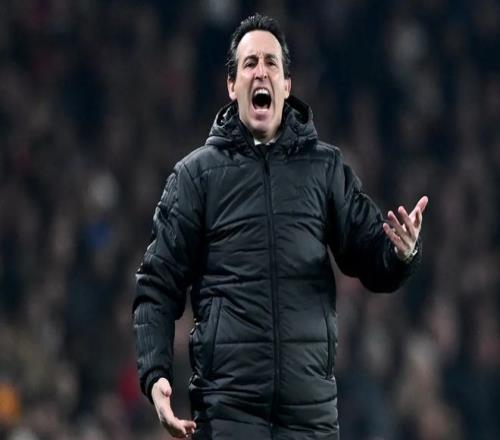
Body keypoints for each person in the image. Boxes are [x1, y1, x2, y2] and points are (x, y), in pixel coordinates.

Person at [132, 13, 428, 440]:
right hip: (228, 413)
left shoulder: (325, 168)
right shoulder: (196, 177)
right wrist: (155, 375)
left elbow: (369, 255)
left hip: (309, 417)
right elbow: (157, 285)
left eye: (271, 62)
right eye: (249, 63)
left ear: (287, 85)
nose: (261, 71)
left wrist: (401, 253)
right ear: (232, 85)